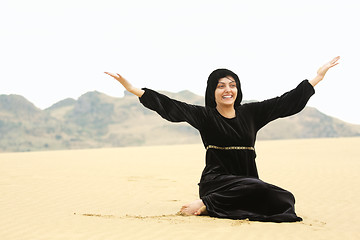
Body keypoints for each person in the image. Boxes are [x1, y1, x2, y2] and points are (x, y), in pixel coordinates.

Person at [105, 56, 340, 222]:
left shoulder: (251, 113)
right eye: (220, 86)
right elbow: (171, 106)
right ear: (212, 91)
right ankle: (208, 203)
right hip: (217, 182)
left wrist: (317, 77)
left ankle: (217, 206)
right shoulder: (205, 115)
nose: (227, 90)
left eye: (232, 85)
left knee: (285, 198)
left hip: (246, 183)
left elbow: (285, 102)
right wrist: (134, 89)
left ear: (237, 89)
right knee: (256, 187)